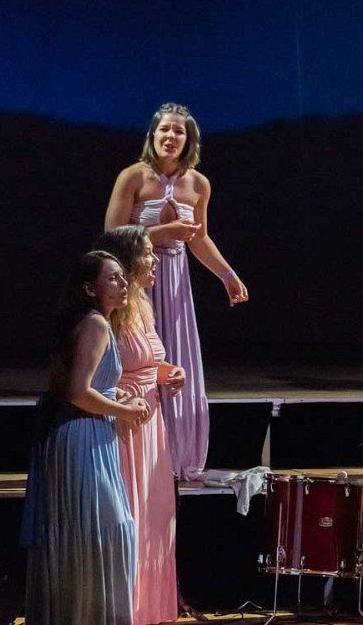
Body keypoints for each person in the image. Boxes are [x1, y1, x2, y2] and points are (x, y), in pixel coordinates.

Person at [105, 102, 249, 480]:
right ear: (153, 134)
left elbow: (199, 239)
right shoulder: (133, 177)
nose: (171, 136)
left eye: (179, 131)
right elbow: (113, 235)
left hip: (175, 281)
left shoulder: (198, 184)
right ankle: (137, 446)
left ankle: (176, 454)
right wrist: (164, 232)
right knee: (142, 359)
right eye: (165, 129)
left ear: (189, 140)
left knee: (177, 356)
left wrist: (228, 275)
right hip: (137, 278)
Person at [20, 251, 150, 624]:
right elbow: (78, 392)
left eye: (123, 276)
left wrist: (118, 396)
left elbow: (91, 383)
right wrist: (126, 411)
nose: (123, 283)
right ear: (90, 288)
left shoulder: (91, 322)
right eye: (113, 278)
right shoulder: (95, 325)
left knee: (94, 530)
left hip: (87, 434)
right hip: (82, 437)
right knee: (103, 529)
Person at [95, 226, 184, 624]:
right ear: (127, 262)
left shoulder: (142, 307)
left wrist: (171, 373)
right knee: (129, 519)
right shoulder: (107, 314)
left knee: (154, 519)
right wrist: (121, 402)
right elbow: (95, 375)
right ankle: (123, 610)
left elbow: (146, 363)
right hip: (122, 427)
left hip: (151, 425)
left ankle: (147, 609)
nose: (155, 259)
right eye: (147, 252)